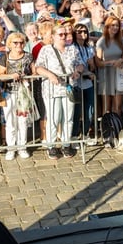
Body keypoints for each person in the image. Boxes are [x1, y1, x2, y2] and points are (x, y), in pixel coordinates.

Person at [35, 23, 83, 159]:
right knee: (54, 117)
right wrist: (50, 74)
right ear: (53, 36)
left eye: (65, 34)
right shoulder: (46, 50)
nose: (63, 37)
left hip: (69, 87)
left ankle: (66, 144)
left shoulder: (72, 49)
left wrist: (77, 71)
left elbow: (80, 63)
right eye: (60, 34)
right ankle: (51, 145)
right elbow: (38, 67)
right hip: (52, 89)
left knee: (68, 117)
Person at [0, 32, 36, 160]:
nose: (19, 45)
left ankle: (22, 147)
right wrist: (10, 76)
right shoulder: (5, 57)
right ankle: (11, 148)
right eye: (15, 43)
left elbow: (34, 73)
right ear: (10, 44)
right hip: (8, 92)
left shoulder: (28, 56)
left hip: (23, 92)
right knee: (10, 122)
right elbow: (0, 75)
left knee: (23, 121)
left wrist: (27, 78)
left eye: (21, 42)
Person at [95, 15, 123, 117]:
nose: (115, 28)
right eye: (112, 25)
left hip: (118, 76)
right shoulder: (101, 41)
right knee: (106, 107)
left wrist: (120, 61)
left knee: (117, 106)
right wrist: (112, 62)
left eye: (117, 25)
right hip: (106, 76)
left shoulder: (121, 40)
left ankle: (116, 128)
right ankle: (107, 130)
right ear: (107, 27)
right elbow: (98, 62)